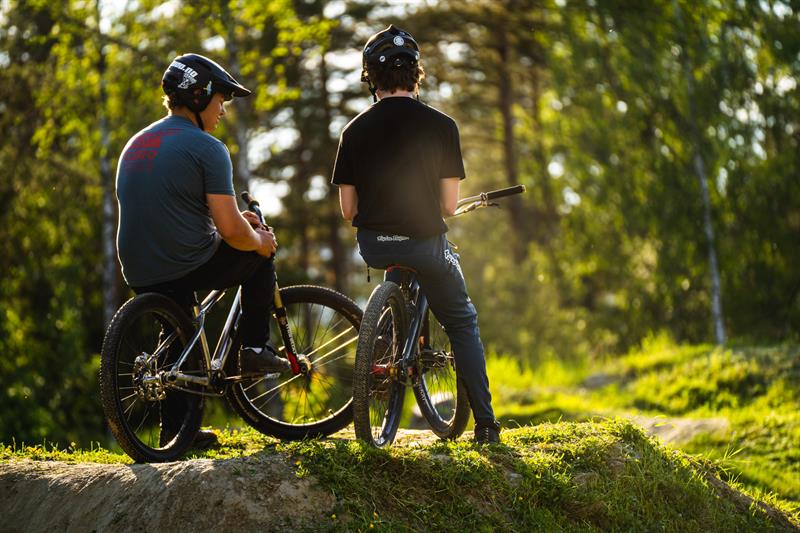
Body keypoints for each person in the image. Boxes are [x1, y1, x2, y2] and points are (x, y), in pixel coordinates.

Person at [330, 25, 502, 444]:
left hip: (374, 246)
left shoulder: (352, 130)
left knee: (397, 266)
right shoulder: (442, 126)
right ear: (416, 74)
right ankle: (486, 425)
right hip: (425, 246)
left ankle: (387, 357)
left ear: (370, 77)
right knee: (462, 322)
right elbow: (447, 206)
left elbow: (349, 210)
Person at [115, 53, 289, 448]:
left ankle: (178, 432)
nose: (223, 111)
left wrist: (236, 222)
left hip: (139, 267)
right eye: (221, 100)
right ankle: (256, 348)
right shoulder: (208, 148)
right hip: (185, 262)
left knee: (179, 332)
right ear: (199, 96)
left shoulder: (137, 143)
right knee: (258, 253)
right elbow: (231, 231)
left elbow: (175, 207)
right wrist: (260, 239)